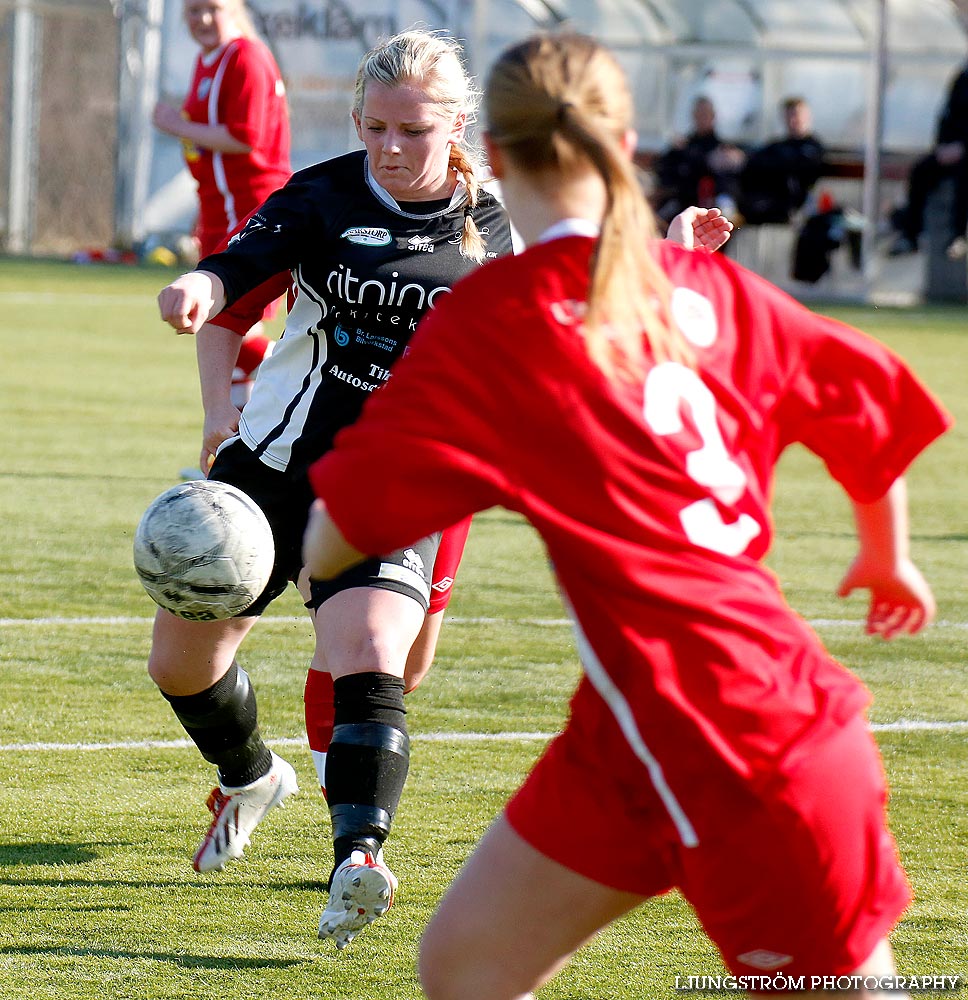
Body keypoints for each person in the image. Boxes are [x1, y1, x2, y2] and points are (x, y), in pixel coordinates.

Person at [302, 31, 952, 999]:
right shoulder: (707, 289)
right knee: (465, 964)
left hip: (740, 742)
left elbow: (336, 534)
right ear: (628, 141)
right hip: (627, 730)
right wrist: (885, 555)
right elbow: (869, 407)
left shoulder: (494, 317)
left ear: (498, 159)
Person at [153, 26, 733, 953]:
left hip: (403, 480)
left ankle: (359, 858)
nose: (390, 145)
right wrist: (196, 291)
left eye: (412, 130)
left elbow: (603, 302)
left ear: (455, 124)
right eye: (375, 125)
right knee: (179, 666)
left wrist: (674, 251)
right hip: (273, 464)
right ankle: (252, 773)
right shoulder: (324, 195)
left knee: (378, 651)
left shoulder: (501, 221)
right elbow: (235, 271)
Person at [152, 0, 291, 417]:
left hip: (250, 206)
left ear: (234, 8)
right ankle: (235, 448)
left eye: (212, 8)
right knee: (226, 330)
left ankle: (296, 383)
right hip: (219, 208)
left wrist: (176, 125)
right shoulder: (207, 60)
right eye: (193, 11)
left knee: (226, 324)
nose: (203, 19)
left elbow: (246, 138)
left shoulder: (246, 56)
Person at [889, 60, 968, 260]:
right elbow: (947, 114)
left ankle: (958, 236)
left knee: (964, 176)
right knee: (921, 171)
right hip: (950, 149)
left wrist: (963, 147)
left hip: (964, 153)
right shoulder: (963, 76)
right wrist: (942, 147)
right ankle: (910, 235)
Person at [652, 95, 746, 225]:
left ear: (713, 116)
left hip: (710, 205)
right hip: (682, 202)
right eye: (699, 114)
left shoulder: (722, 148)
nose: (702, 118)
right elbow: (663, 169)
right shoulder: (682, 146)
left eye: (706, 114)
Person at [738, 95, 826, 225]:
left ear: (807, 116)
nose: (792, 120)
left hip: (791, 206)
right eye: (788, 116)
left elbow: (796, 166)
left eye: (796, 115)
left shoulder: (812, 146)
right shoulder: (777, 145)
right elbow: (754, 160)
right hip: (765, 199)